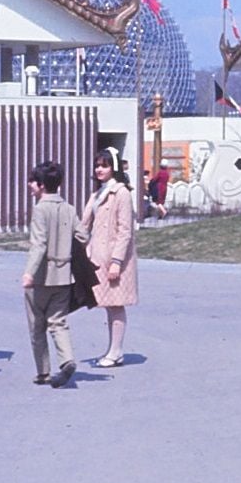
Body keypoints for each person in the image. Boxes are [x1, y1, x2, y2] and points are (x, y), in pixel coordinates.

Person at [21, 160, 80, 387]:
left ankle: (43, 371)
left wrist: (29, 273)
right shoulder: (69, 208)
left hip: (41, 277)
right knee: (58, 322)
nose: (30, 185)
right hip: (64, 276)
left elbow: (39, 244)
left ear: (42, 185)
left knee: (37, 325)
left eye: (33, 181)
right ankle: (67, 360)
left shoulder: (40, 209)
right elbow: (82, 235)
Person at [78, 150, 137, 368]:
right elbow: (84, 226)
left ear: (113, 168)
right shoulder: (97, 194)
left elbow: (125, 231)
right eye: (97, 166)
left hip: (114, 260)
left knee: (116, 304)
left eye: (104, 165)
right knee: (108, 304)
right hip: (98, 257)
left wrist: (117, 261)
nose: (99, 169)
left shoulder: (121, 193)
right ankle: (112, 349)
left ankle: (116, 351)